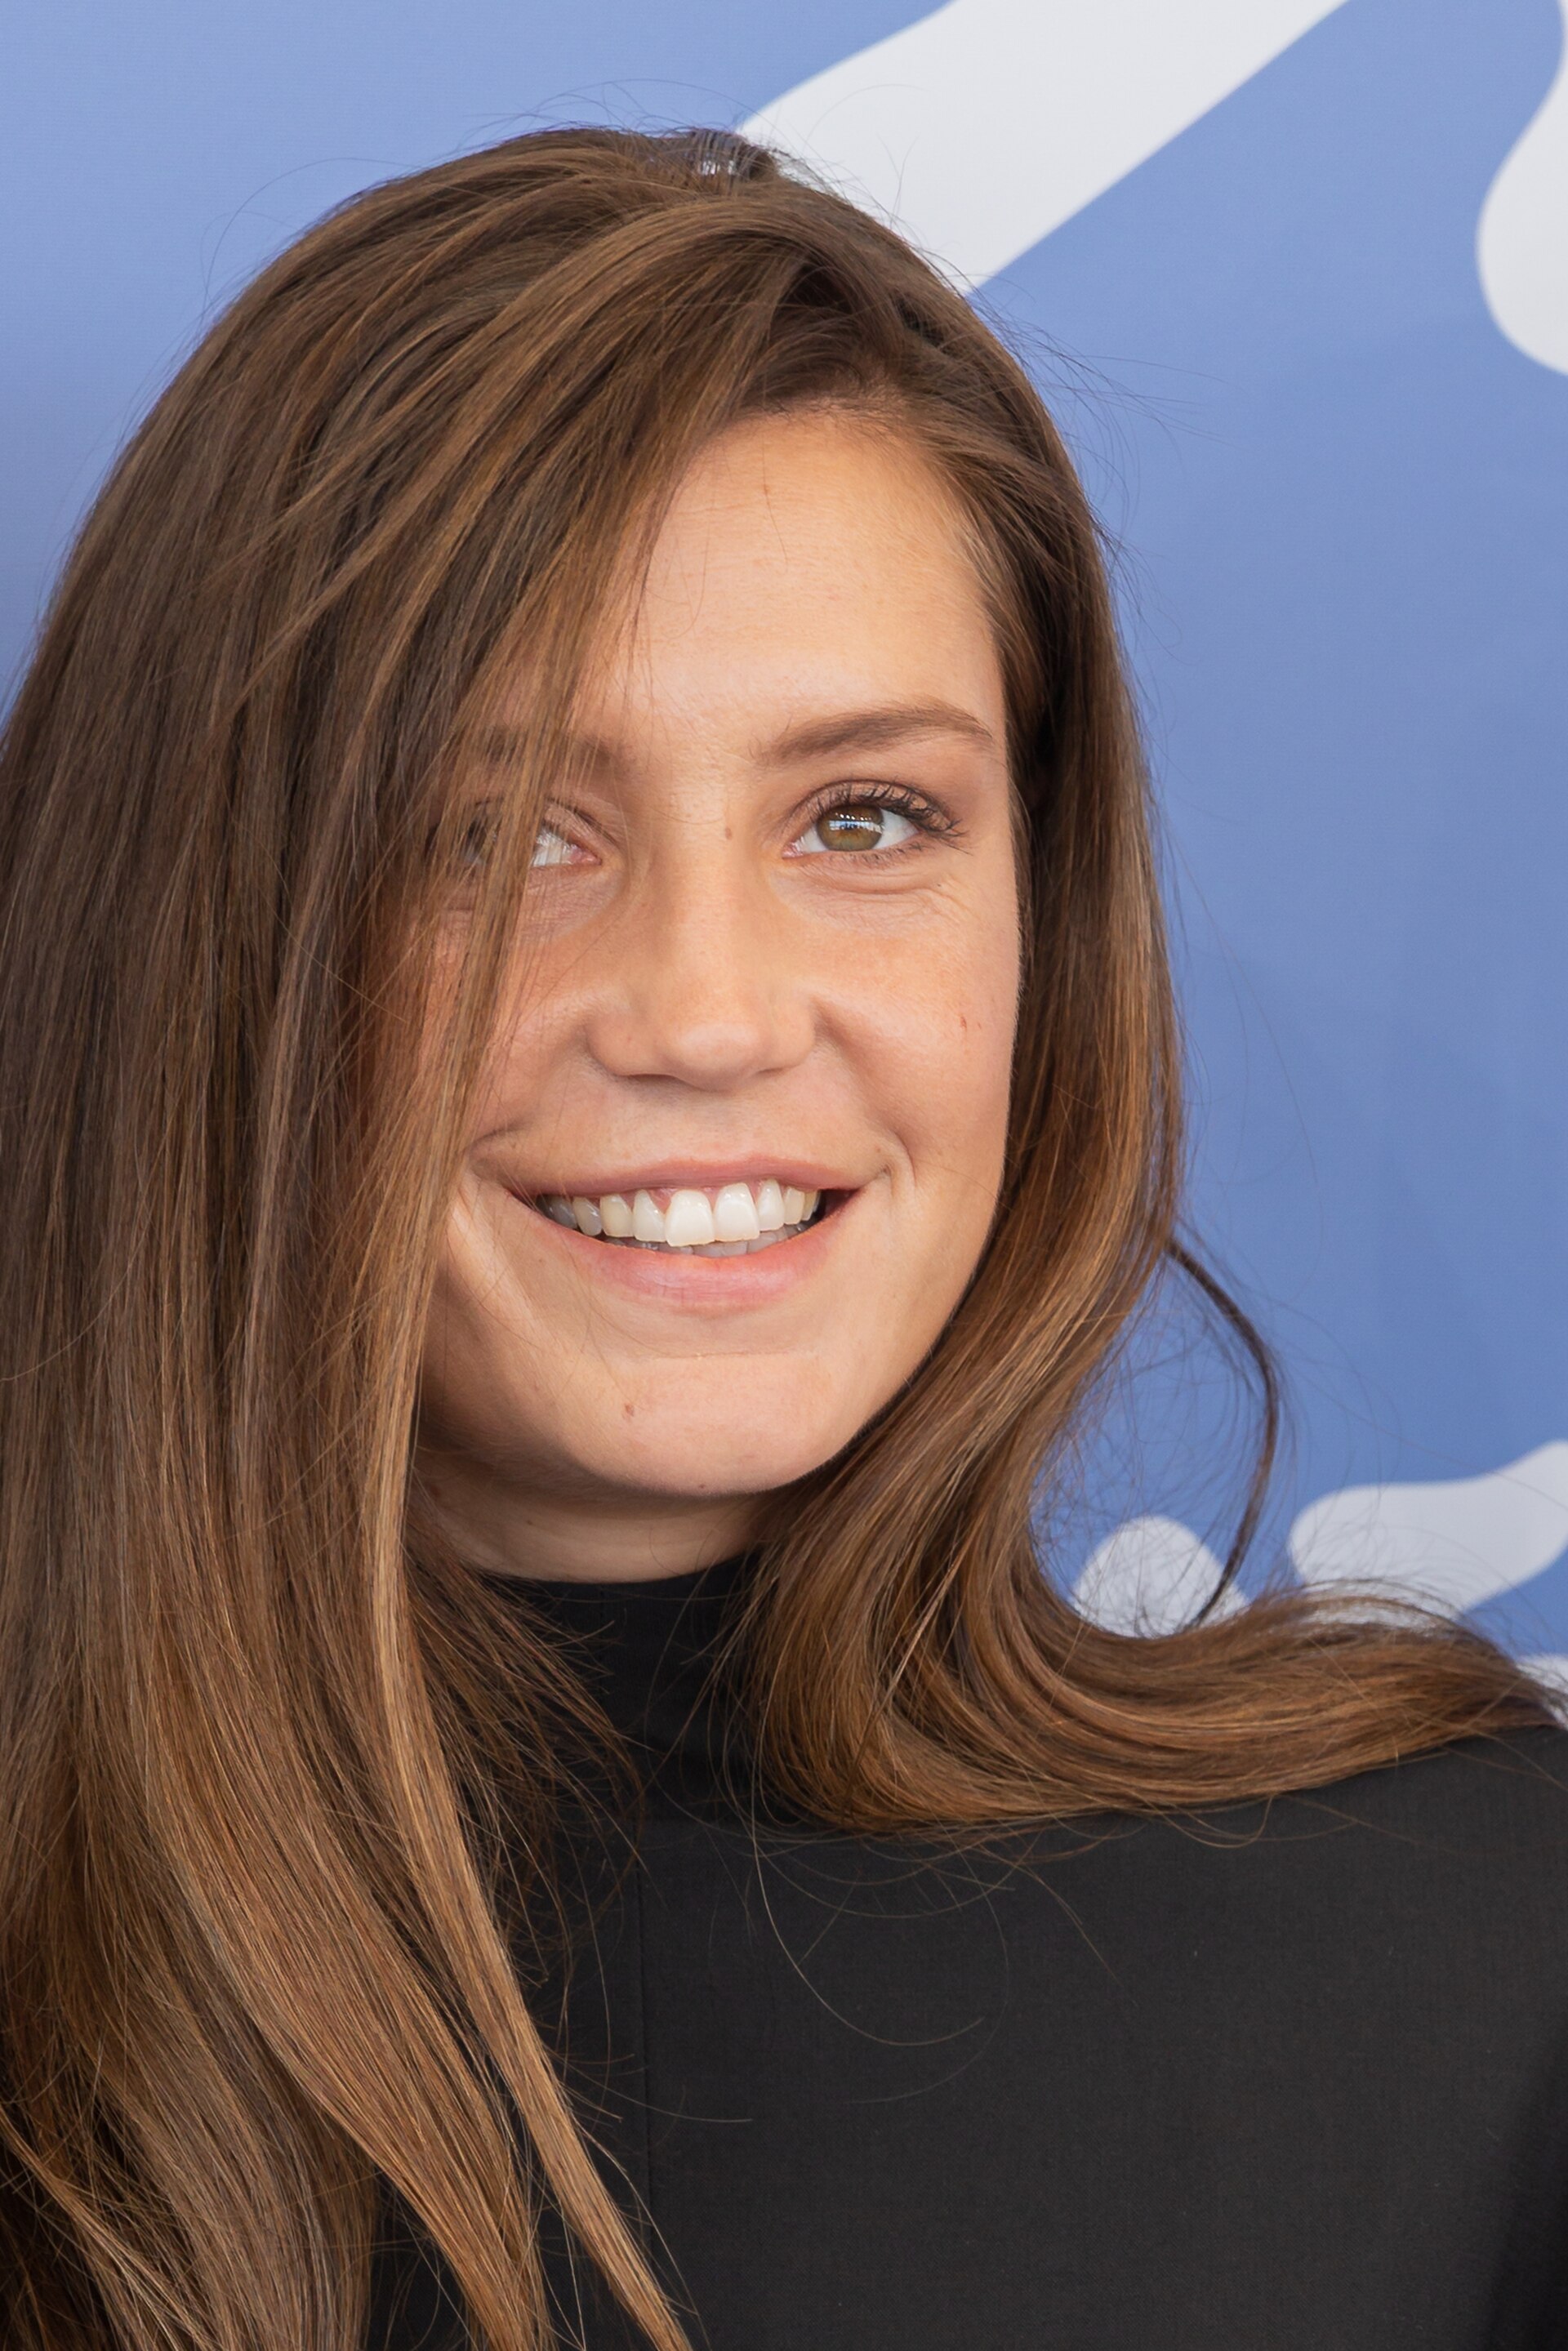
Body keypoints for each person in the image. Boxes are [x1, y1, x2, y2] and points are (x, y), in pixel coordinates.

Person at [1, 124, 1564, 2351]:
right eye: (495, 830)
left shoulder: (1477, 1956)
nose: (711, 1013)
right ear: (198, 938)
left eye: (864, 817)